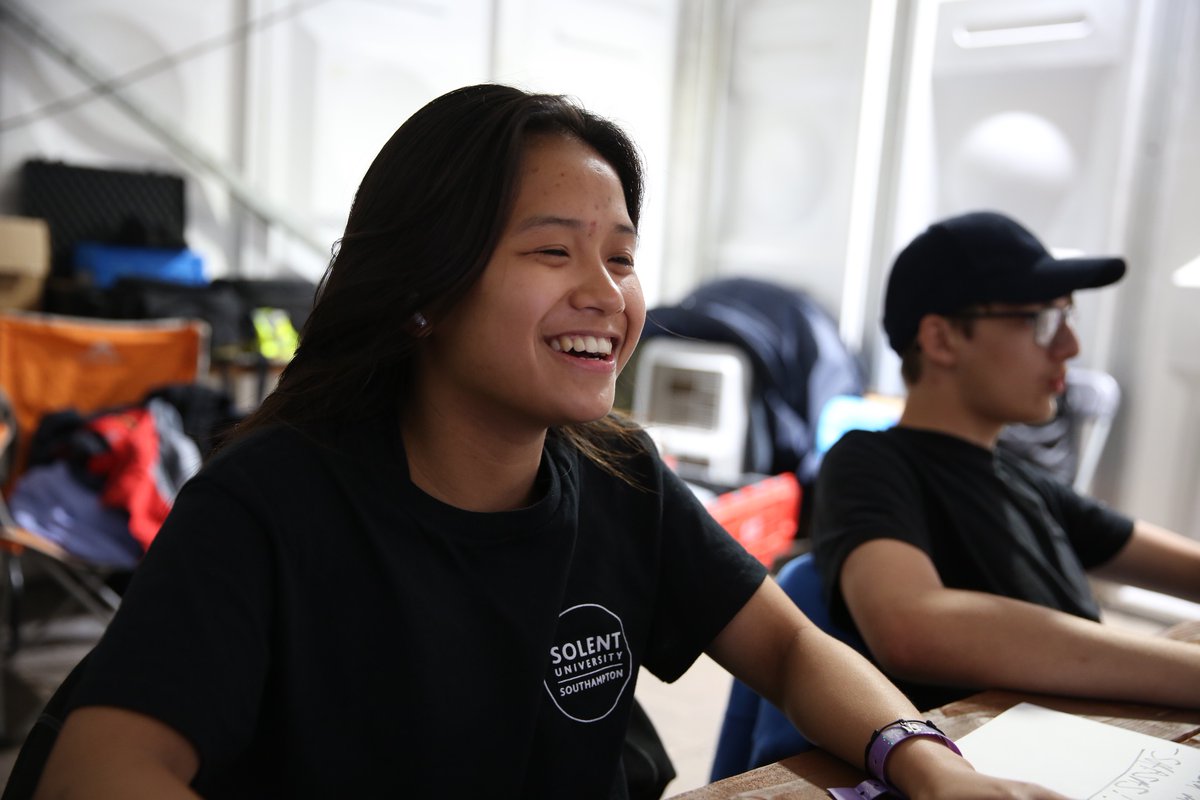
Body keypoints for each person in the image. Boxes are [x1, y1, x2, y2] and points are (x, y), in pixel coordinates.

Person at [32, 87, 1061, 799]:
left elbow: (788, 645)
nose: (606, 294)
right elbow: (100, 769)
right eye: (552, 250)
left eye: (621, 256)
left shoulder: (620, 473)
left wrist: (928, 760)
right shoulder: (270, 503)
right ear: (426, 291)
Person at [811, 210, 1200, 714]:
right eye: (1041, 321)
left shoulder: (1023, 481)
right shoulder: (870, 462)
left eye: (1067, 316)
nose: (1070, 346)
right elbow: (911, 625)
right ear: (942, 339)